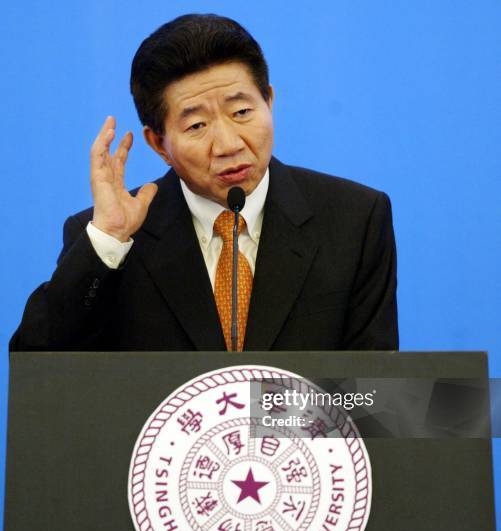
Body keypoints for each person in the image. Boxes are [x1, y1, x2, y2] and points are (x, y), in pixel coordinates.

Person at [10, 13, 398, 352]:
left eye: (242, 111)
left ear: (270, 102)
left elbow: (375, 395)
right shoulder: (110, 238)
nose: (229, 144)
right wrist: (109, 241)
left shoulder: (355, 219)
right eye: (197, 125)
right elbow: (39, 370)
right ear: (158, 143)